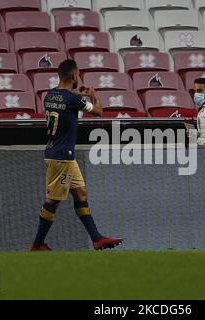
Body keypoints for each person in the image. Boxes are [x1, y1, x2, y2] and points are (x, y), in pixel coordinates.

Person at [31, 59, 123, 251]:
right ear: (74, 75)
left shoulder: (49, 96)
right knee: (52, 201)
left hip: (59, 153)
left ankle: (97, 239)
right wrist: (93, 96)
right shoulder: (73, 99)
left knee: (80, 193)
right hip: (62, 156)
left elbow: (65, 99)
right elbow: (98, 111)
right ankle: (37, 244)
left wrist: (76, 95)